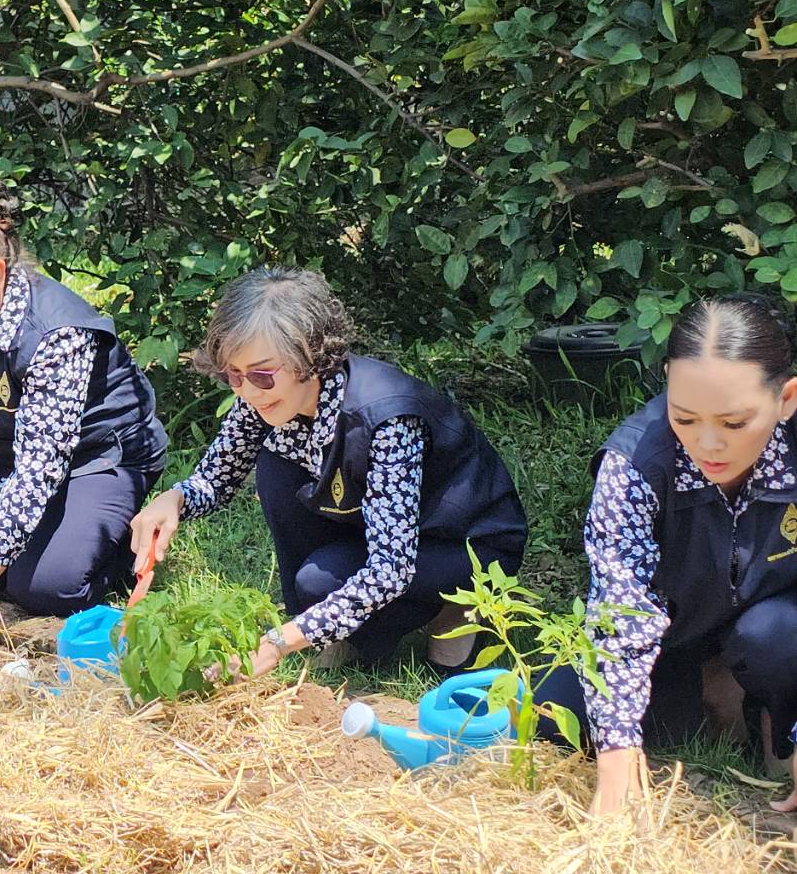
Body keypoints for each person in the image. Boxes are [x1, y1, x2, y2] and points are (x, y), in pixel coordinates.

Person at [130, 268, 527, 679]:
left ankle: (456, 607)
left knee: (322, 587)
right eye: (233, 374)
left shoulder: (385, 419)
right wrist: (172, 499)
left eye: (262, 375)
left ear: (310, 356)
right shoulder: (262, 399)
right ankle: (332, 628)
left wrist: (275, 643)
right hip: (383, 529)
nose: (247, 391)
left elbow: (391, 569)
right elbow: (216, 477)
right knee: (280, 480)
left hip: (465, 541)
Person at [534, 295, 797, 816]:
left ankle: (779, 726)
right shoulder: (634, 461)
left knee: (774, 640)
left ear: (787, 399)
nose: (708, 445)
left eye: (734, 422)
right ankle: (716, 690)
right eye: (684, 417)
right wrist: (616, 758)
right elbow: (619, 611)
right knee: (554, 713)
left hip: (778, 624)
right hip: (676, 632)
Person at [0, 177, 168, 648]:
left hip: (94, 457)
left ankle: (115, 549)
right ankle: (22, 548)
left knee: (50, 586)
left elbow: (39, 471)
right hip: (2, 448)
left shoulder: (55, 334)